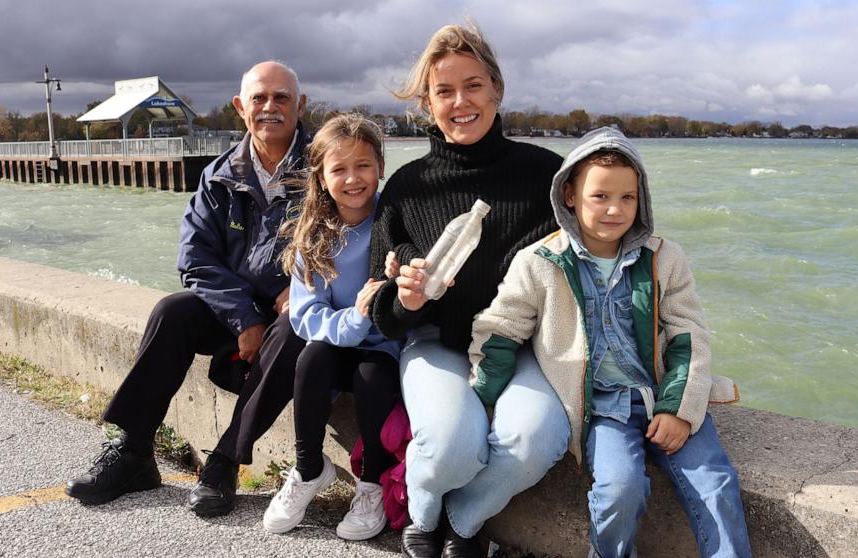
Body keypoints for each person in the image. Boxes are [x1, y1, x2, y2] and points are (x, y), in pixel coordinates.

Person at [468, 127, 752, 557]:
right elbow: (500, 330)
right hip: (602, 409)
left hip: (663, 394)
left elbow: (689, 336)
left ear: (642, 199)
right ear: (569, 195)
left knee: (715, 483)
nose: (615, 210)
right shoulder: (540, 262)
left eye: (627, 197)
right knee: (620, 489)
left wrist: (677, 410)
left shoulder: (665, 257)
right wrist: (481, 399)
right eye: (600, 196)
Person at [66, 60, 311, 518]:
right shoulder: (219, 175)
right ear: (241, 107)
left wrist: (305, 284)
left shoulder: (325, 167)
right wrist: (245, 317)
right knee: (171, 312)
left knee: (293, 327)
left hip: (296, 310)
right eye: (259, 98)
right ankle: (135, 450)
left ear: (300, 105)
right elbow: (195, 259)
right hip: (238, 309)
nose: (270, 107)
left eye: (281, 98)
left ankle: (223, 462)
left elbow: (354, 232)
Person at [368, 23, 570, 558]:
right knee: (452, 448)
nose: (461, 101)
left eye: (474, 85)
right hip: (436, 338)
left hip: (520, 343)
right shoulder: (406, 188)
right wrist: (407, 296)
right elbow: (381, 312)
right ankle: (425, 509)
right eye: (444, 90)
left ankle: (463, 519)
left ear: (497, 90)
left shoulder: (548, 175)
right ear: (427, 102)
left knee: (534, 440)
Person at [260, 113, 402, 542]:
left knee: (372, 374)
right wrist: (354, 319)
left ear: (380, 167)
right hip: (340, 338)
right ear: (320, 177)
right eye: (339, 169)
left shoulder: (394, 222)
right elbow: (305, 315)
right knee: (312, 357)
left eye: (363, 166)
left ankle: (372, 483)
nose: (353, 178)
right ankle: (308, 469)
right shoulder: (315, 235)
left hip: (385, 348)